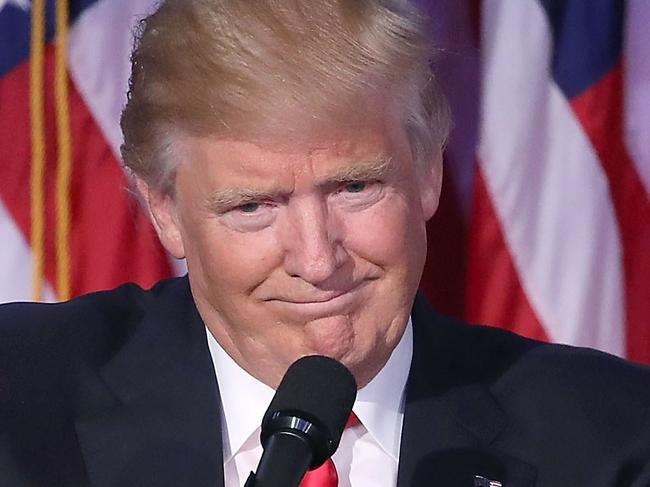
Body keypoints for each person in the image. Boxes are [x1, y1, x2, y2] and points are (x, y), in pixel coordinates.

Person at [1, 0, 649, 486]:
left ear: (426, 171)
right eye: (254, 205)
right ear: (165, 210)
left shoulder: (614, 437)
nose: (317, 260)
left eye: (354, 186)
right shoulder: (19, 403)